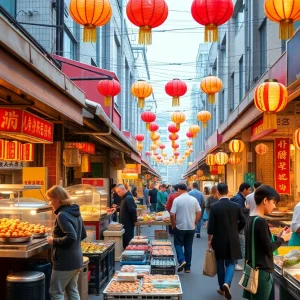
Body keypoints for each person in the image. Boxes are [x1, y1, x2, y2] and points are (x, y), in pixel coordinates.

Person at [243, 185, 291, 299]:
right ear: (265, 200)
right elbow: (269, 248)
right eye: (274, 202)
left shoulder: (251, 218)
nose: (274, 206)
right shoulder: (261, 221)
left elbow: (260, 243)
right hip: (262, 272)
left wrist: (278, 236)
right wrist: (283, 239)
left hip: (252, 269)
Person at [46, 185, 87, 300]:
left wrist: (53, 240)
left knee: (55, 292)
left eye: (50, 199)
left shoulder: (62, 215)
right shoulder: (74, 211)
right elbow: (83, 234)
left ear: (58, 199)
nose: (50, 203)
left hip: (64, 262)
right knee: (72, 290)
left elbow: (71, 237)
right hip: (77, 259)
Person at [207, 183, 246, 300]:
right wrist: (235, 230)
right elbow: (243, 221)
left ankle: (222, 288)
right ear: (228, 192)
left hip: (218, 239)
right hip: (233, 238)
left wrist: (209, 240)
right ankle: (227, 283)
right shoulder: (235, 206)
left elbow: (211, 227)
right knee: (231, 262)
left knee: (220, 263)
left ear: (217, 192)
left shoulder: (214, 206)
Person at [171, 183, 201, 273]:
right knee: (188, 246)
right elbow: (199, 212)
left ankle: (181, 260)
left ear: (179, 190)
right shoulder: (194, 199)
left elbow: (172, 214)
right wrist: (195, 223)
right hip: (191, 227)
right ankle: (187, 268)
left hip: (180, 226)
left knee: (178, 244)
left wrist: (173, 225)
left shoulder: (177, 200)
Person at [230, 182, 251, 271]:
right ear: (244, 189)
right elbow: (239, 211)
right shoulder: (239, 199)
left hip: (236, 224)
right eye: (249, 189)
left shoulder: (238, 197)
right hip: (238, 225)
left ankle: (233, 262)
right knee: (240, 244)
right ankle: (234, 263)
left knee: (238, 244)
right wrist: (247, 208)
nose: (250, 191)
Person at [115, 184, 137, 249]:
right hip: (124, 224)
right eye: (117, 192)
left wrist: (135, 221)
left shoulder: (128, 198)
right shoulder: (124, 197)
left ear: (123, 189)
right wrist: (116, 209)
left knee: (128, 241)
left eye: (119, 191)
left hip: (128, 224)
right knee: (125, 241)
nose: (118, 194)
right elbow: (124, 207)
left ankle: (129, 256)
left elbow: (133, 210)